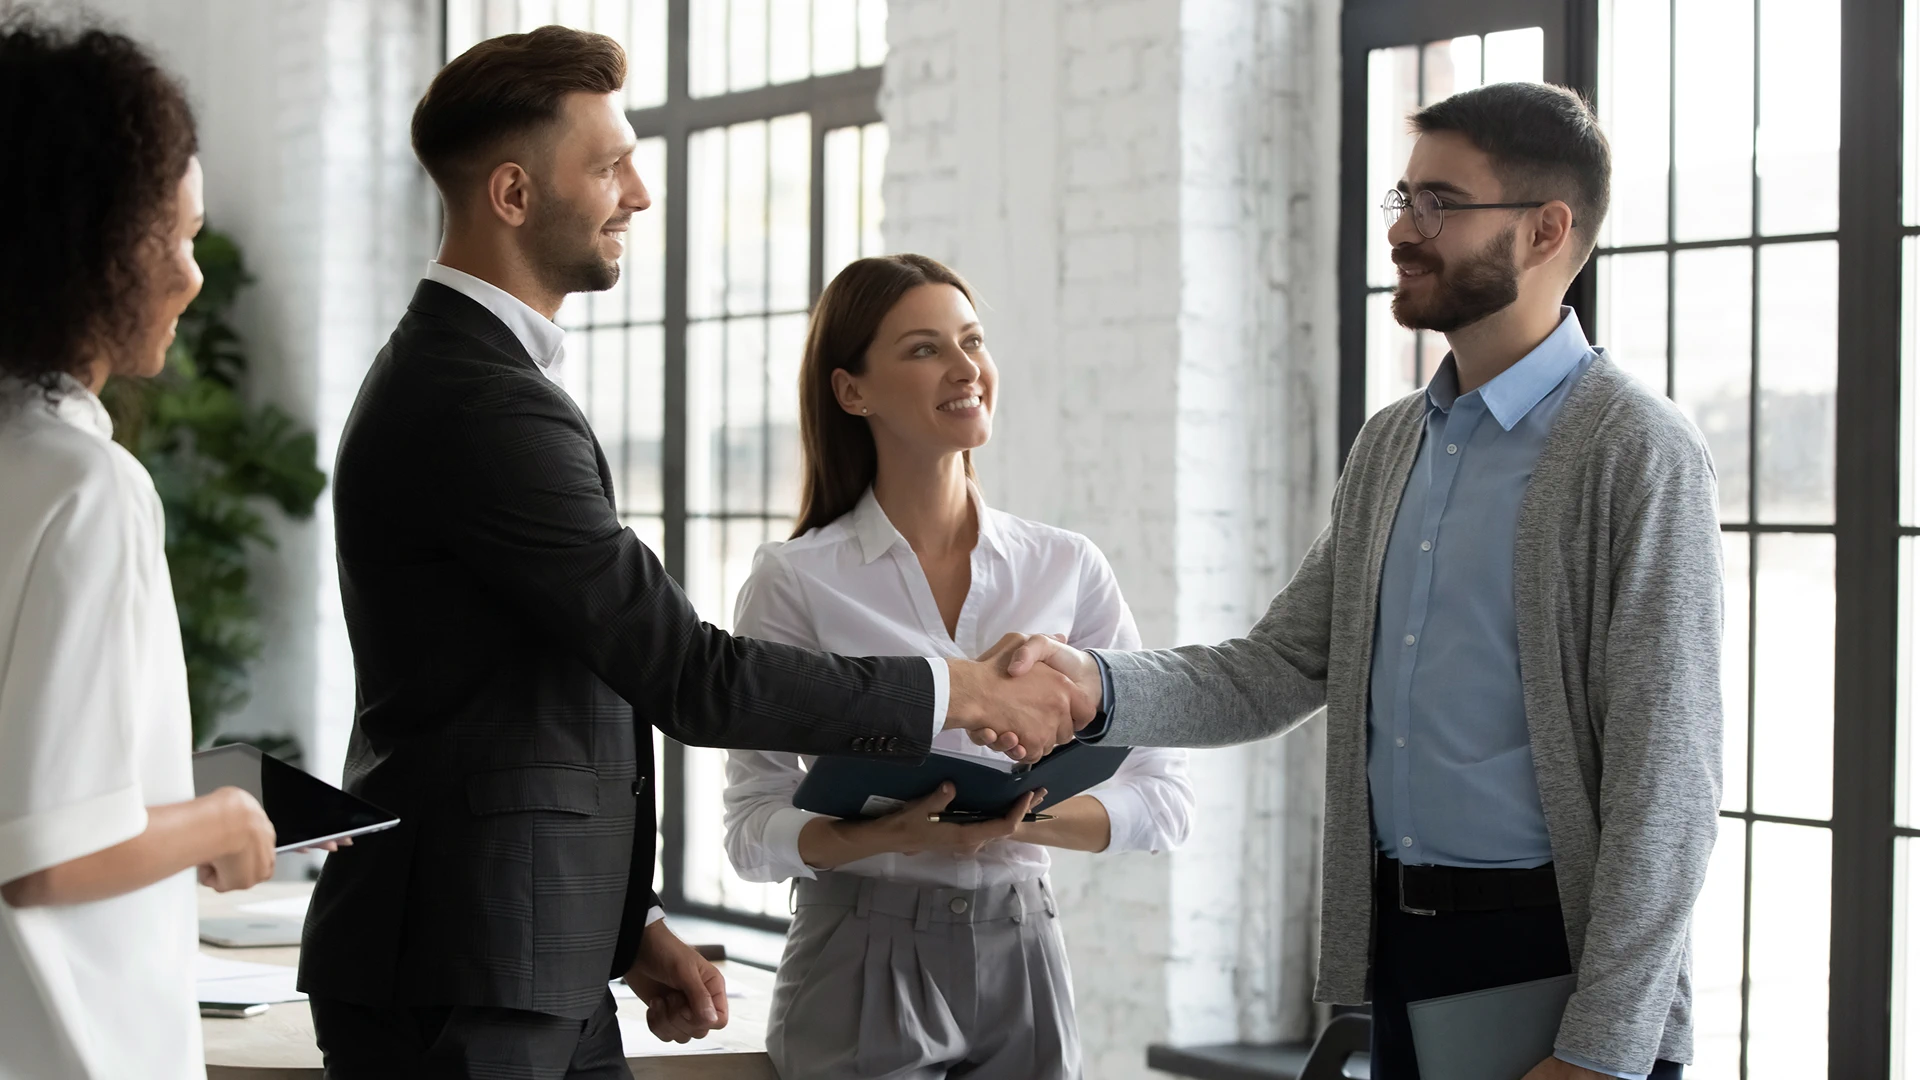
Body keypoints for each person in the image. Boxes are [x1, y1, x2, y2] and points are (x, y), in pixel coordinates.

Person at [298, 28, 1080, 1079]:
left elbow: (559, 690)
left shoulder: (483, 381)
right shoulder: (477, 402)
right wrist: (962, 693)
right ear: (515, 195)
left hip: (523, 952)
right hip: (466, 965)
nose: (640, 191)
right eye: (609, 162)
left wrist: (624, 924)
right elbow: (687, 676)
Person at [1007, 83, 1720, 1080]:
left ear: (1547, 229)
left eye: (1439, 203)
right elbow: (1278, 667)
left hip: (1553, 969)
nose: (1401, 229)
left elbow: (1668, 787)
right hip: (1399, 953)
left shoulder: (1637, 449)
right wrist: (1095, 685)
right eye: (1402, 197)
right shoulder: (1392, 444)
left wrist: (1601, 1048)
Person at [721, 254, 1195, 1079]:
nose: (966, 368)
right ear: (851, 392)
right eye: (923, 349)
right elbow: (749, 830)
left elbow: (1166, 796)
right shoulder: (794, 581)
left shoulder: (1065, 567)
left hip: (1025, 948)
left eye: (972, 341)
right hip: (857, 951)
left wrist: (1015, 819)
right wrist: (872, 835)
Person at [0, 14, 284, 1079]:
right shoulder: (89, 489)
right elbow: (41, 852)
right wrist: (217, 819)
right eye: (177, 237)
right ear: (96, 244)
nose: (194, 275)